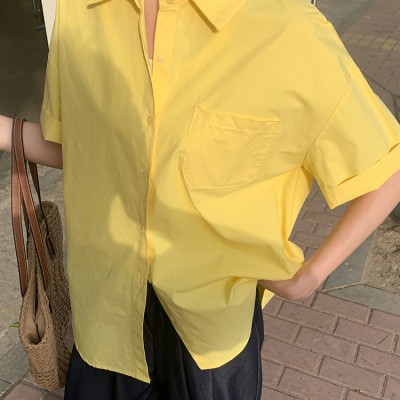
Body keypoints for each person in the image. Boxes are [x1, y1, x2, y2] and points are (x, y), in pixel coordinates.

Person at [1, 0, 400, 398]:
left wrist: (307, 278)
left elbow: (386, 169)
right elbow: (84, 147)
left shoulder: (286, 28)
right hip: (103, 320)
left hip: (211, 339)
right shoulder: (80, 11)